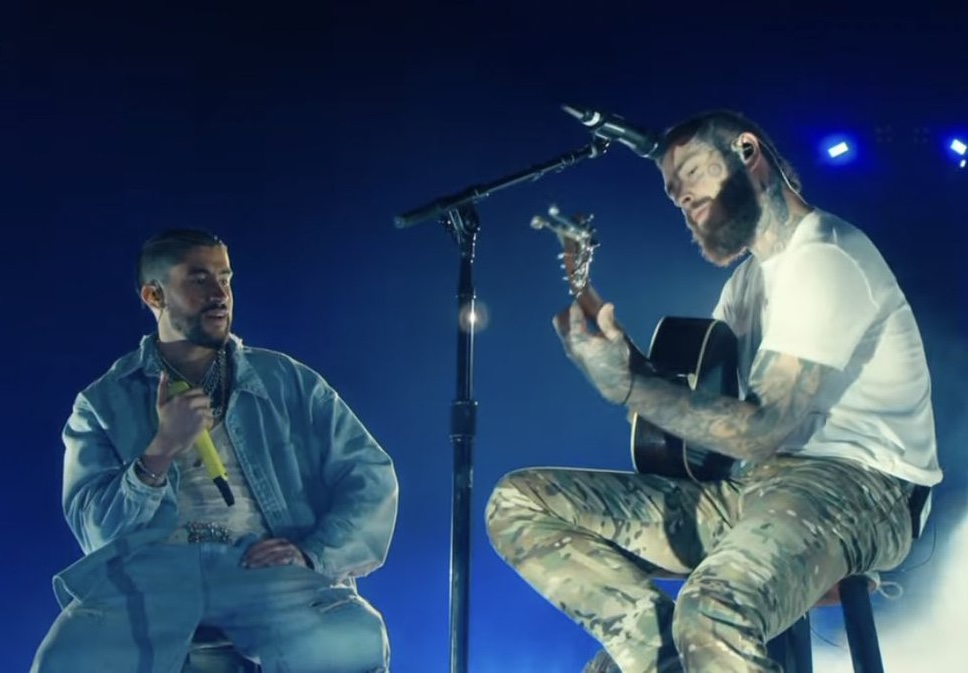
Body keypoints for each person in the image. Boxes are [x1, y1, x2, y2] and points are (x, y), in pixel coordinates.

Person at [485, 109, 942, 673]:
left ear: (748, 153)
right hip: (751, 489)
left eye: (694, 175)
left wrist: (628, 387)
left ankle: (695, 643)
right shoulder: (747, 283)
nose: (683, 201)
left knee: (712, 611)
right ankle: (664, 655)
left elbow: (759, 431)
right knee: (518, 501)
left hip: (858, 489)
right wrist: (610, 346)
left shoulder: (826, 257)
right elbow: (699, 414)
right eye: (674, 195)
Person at [31, 228, 398, 673]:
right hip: (151, 576)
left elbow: (370, 475)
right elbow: (96, 531)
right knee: (68, 658)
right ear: (154, 294)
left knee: (351, 640)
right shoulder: (103, 403)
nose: (219, 293)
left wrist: (314, 554)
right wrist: (161, 450)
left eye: (225, 278)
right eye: (199, 278)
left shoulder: (288, 382)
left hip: (260, 567)